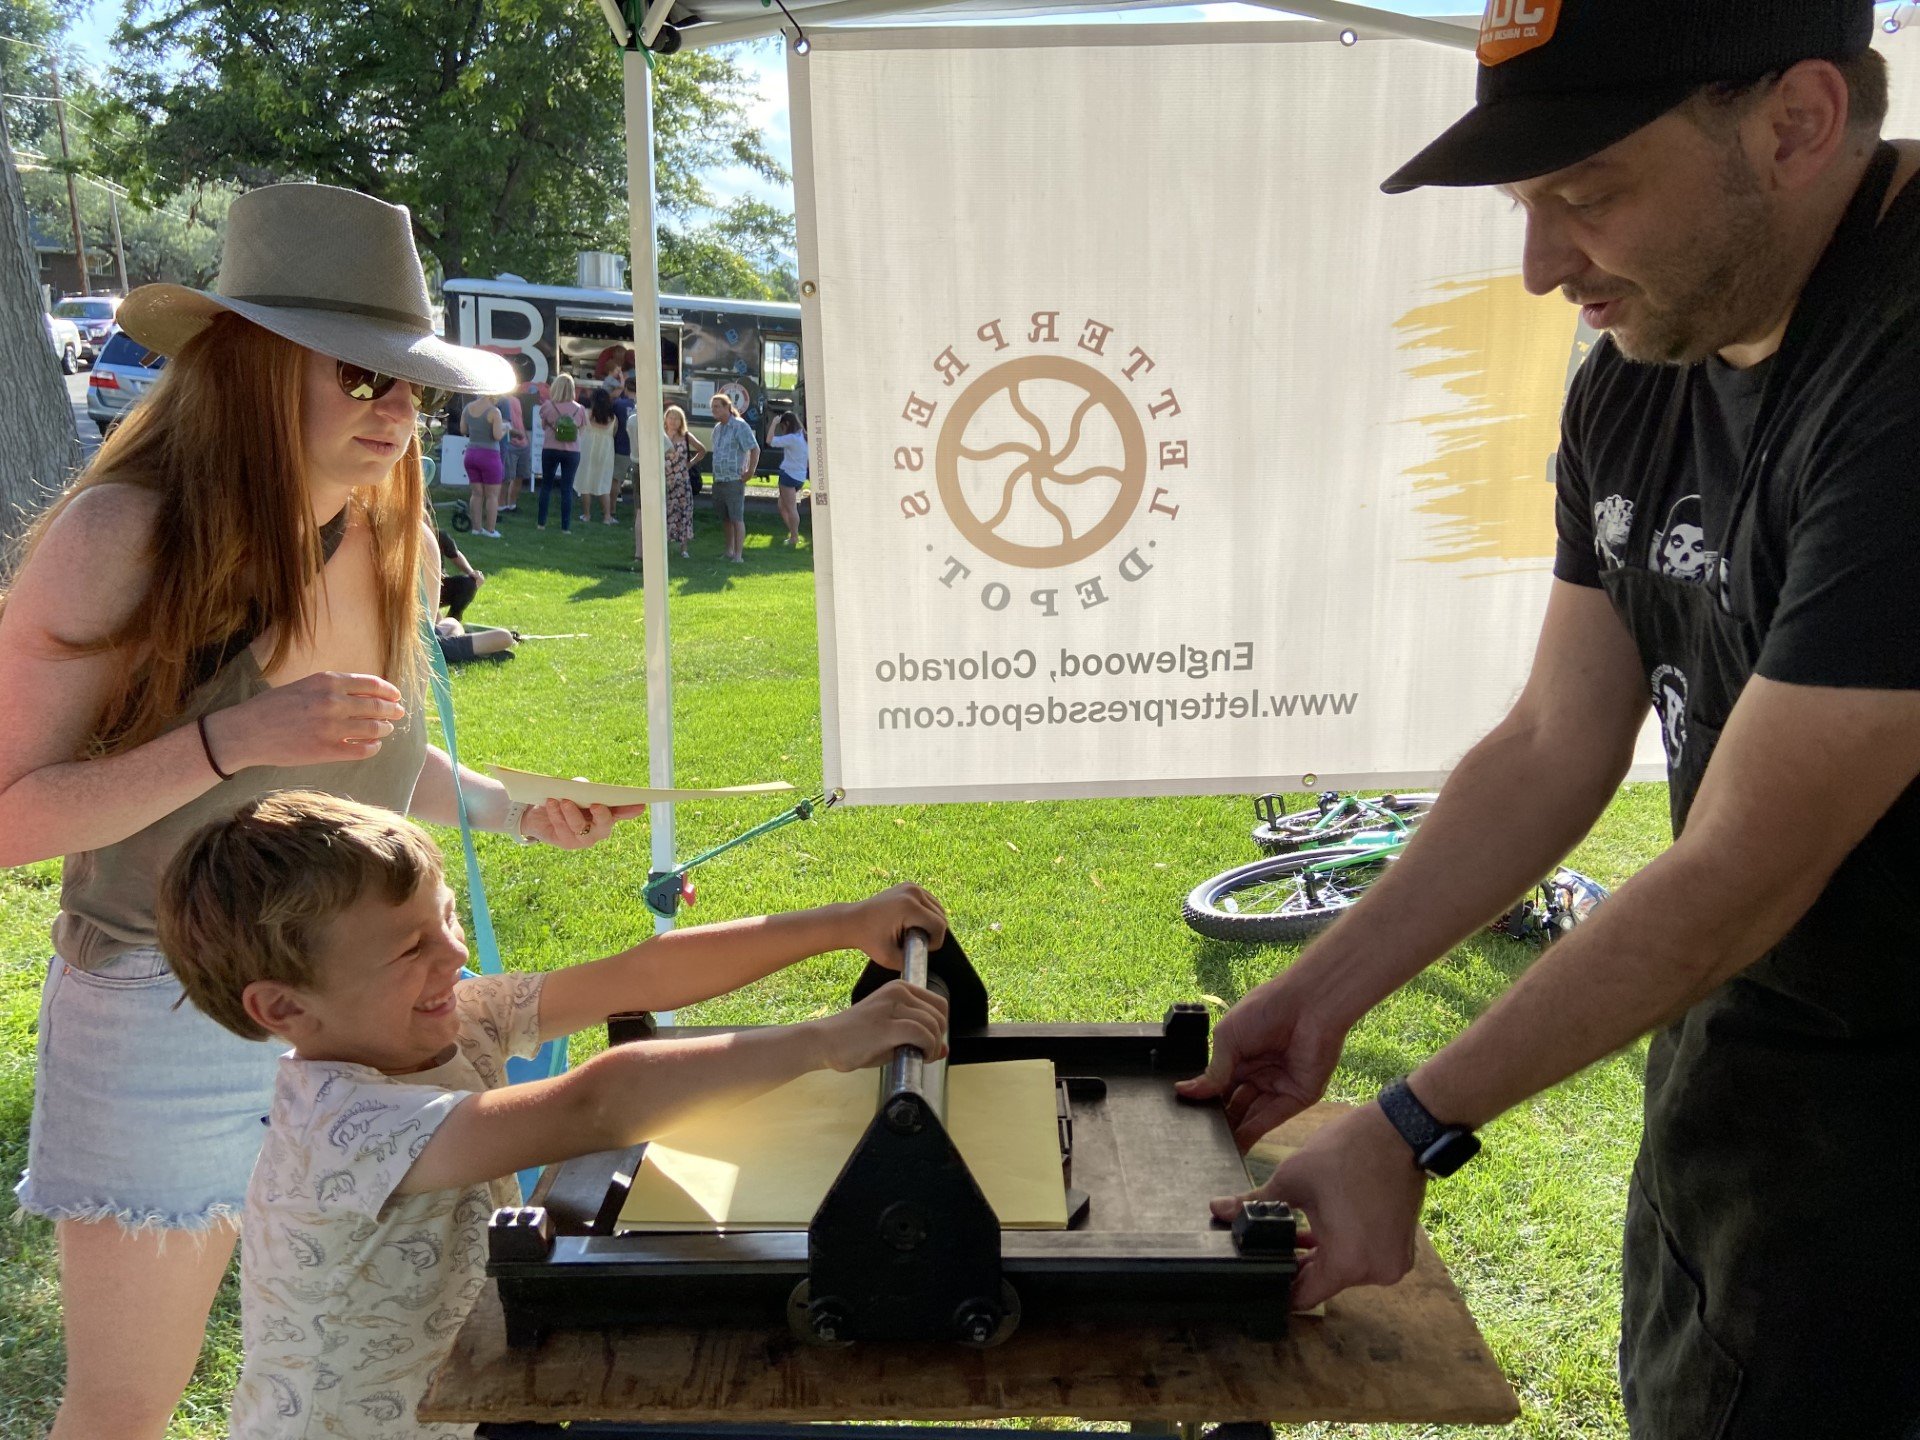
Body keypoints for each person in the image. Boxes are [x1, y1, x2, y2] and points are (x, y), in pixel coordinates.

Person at [1183, 6, 1920, 1437]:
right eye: (1529, 204)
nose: (1538, 267)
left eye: (1586, 194)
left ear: (1798, 122)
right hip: (1754, 1106)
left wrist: (1410, 1127)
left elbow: (1748, 864)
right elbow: (1551, 742)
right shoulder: (1639, 374)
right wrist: (1323, 997)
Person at [0, 182, 640, 1440]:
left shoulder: (381, 529)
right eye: (362, 376)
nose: (401, 410)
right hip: (159, 1011)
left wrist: (521, 808)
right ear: (247, 367)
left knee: (357, 1372)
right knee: (130, 1401)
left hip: (364, 1011)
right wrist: (230, 738)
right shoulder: (121, 537)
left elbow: (366, 768)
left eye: (415, 383)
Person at [157, 790, 949, 1439]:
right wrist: (821, 1041)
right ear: (284, 1006)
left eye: (449, 920)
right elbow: (597, 1103)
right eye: (410, 950)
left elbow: (639, 974)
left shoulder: (454, 1018)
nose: (456, 957)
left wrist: (842, 924)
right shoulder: (338, 1128)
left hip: (473, 1397)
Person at [708, 392, 759, 564]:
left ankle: (738, 556)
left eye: (717, 406)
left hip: (734, 479)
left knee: (737, 518)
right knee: (726, 519)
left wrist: (750, 471)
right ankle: (729, 551)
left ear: (727, 407)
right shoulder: (718, 428)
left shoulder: (739, 426)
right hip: (719, 480)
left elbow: (754, 448)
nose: (713, 410)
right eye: (712, 407)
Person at [537, 373, 586, 532]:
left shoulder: (547, 406)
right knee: (567, 488)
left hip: (550, 448)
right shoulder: (579, 409)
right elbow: (582, 431)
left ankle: (541, 523)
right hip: (572, 451)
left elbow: (544, 426)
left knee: (546, 486)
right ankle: (565, 527)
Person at [459, 391, 508, 537]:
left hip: (471, 453)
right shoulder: (494, 411)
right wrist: (506, 428)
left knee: (476, 493)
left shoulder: (468, 408)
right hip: (489, 455)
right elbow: (497, 436)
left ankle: (476, 528)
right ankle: (490, 530)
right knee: (492, 495)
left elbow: (463, 430)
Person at [499, 354, 540, 516]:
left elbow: (519, 420)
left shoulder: (515, 400)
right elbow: (502, 424)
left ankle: (512, 504)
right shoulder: (501, 400)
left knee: (519, 476)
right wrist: (515, 434)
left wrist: (525, 436)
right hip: (509, 443)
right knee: (506, 477)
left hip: (523, 443)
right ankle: (501, 505)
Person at [575, 383, 620, 526]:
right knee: (603, 483)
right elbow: (613, 433)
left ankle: (587, 515)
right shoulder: (613, 418)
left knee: (585, 482)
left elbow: (580, 430)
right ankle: (607, 517)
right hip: (605, 453)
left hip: (588, 450)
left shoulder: (586, 413)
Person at [662, 404, 702, 560]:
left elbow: (702, 449)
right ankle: (663, 545)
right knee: (665, 512)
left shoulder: (686, 436)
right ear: (665, 419)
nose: (673, 421)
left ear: (681, 421)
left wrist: (689, 463)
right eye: (670, 417)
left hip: (682, 481)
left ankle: (684, 548)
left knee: (683, 512)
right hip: (665, 478)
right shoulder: (662, 435)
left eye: (676, 418)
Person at [767, 412, 809, 547]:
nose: (782, 430)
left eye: (782, 427)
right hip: (800, 477)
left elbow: (769, 441)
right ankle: (793, 533)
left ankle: (794, 537)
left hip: (788, 476)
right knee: (782, 505)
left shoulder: (791, 438)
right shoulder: (804, 436)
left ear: (787, 424)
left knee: (791, 508)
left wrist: (773, 423)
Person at [612, 377, 638, 501]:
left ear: (626, 389)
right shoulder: (642, 405)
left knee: (616, 477)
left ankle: (617, 497)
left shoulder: (619, 404)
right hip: (637, 448)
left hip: (621, 445)